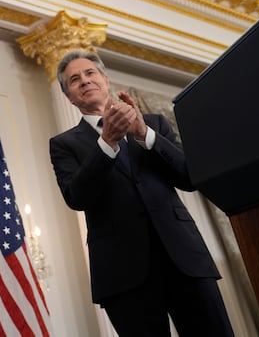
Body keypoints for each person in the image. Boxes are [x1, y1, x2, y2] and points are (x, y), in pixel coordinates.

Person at [49, 49, 233, 337]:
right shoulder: (63, 144)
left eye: (90, 73)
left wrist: (144, 134)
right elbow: (76, 196)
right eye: (74, 80)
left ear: (105, 80)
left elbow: (189, 177)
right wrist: (107, 142)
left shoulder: (154, 124)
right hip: (122, 274)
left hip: (184, 258)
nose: (84, 81)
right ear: (69, 96)